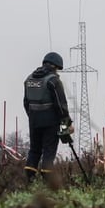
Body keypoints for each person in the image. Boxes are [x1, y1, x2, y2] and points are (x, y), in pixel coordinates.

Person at [23, 51, 73, 182]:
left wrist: (33, 117)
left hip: (34, 122)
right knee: (49, 151)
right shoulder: (53, 81)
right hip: (51, 123)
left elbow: (26, 103)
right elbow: (61, 106)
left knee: (34, 150)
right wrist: (66, 126)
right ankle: (48, 181)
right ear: (56, 67)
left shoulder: (29, 79)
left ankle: (29, 180)